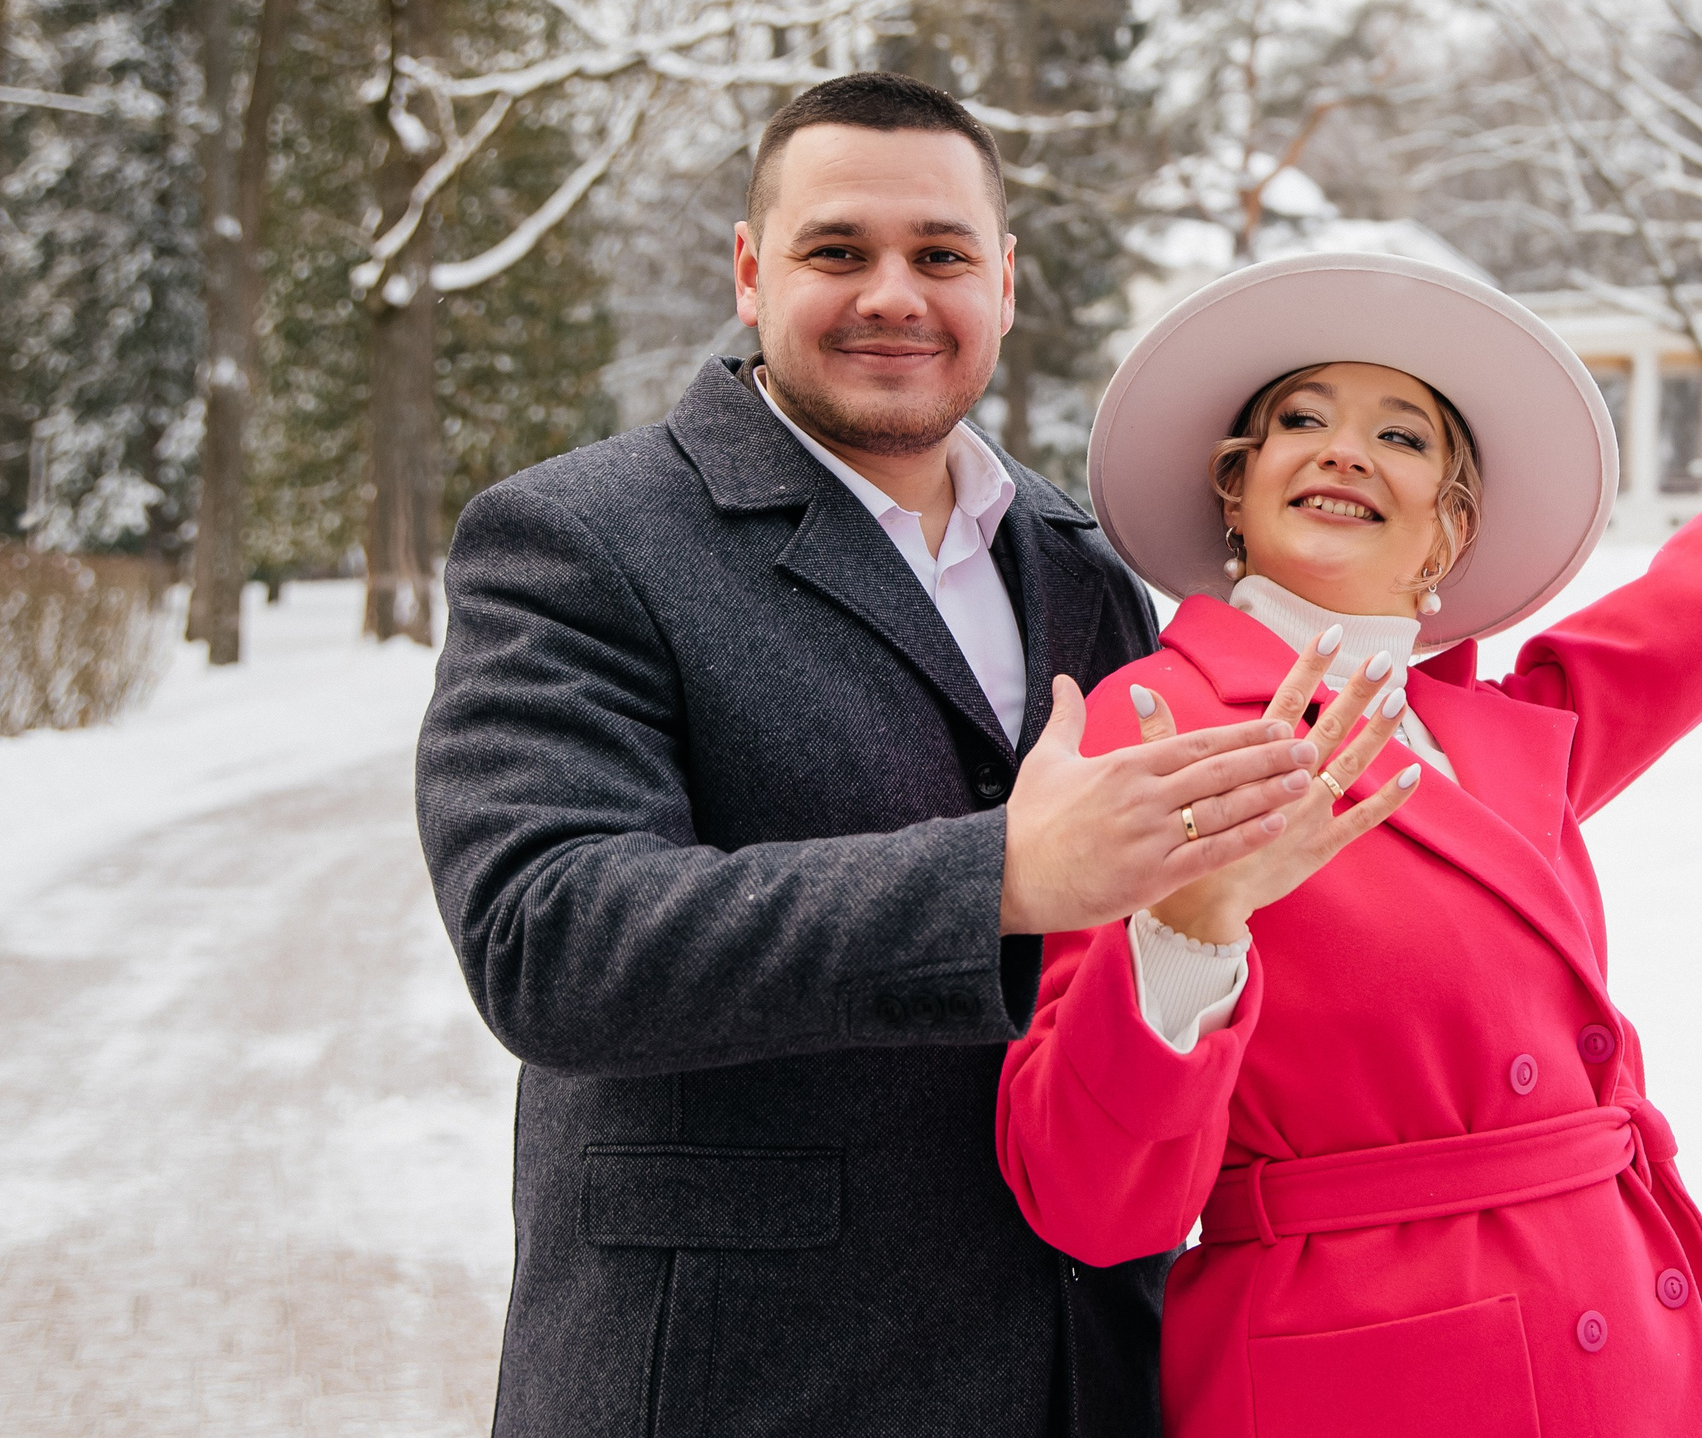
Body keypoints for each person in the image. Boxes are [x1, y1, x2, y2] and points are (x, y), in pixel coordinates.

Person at [415, 74, 1373, 1437]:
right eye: (836, 251)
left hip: (1068, 1366)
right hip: (740, 1375)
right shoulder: (577, 540)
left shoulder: (1084, 564)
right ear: (751, 271)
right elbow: (546, 937)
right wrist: (994, 876)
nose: (893, 294)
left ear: (1006, 282)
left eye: (940, 255)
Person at [994, 251, 1702, 1438]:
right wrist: (1183, 932)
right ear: (1235, 488)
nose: (1343, 448)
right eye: (1299, 419)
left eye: (1403, 435)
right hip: (1368, 1378)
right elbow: (1089, 1200)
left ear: (1449, 528)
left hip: (1619, 1341)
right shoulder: (1153, 721)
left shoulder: (1505, 734)